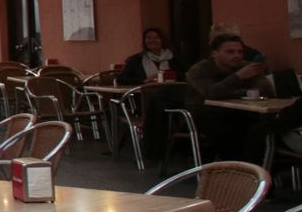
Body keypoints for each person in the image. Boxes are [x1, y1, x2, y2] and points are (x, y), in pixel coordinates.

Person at [186, 32, 272, 161]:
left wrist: (233, 91)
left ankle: (258, 169)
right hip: (203, 112)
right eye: (230, 52)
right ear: (215, 53)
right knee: (230, 128)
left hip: (241, 111)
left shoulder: (245, 66)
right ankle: (233, 170)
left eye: (240, 52)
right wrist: (238, 78)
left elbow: (266, 89)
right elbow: (211, 93)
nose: (237, 56)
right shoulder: (199, 69)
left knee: (263, 127)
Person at [117, 28, 185, 85]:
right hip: (143, 96)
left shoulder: (174, 58)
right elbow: (121, 79)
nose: (152, 40)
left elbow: (186, 75)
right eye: (148, 38)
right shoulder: (135, 60)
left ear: (163, 40)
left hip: (171, 94)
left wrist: (167, 76)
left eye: (156, 38)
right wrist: (144, 81)